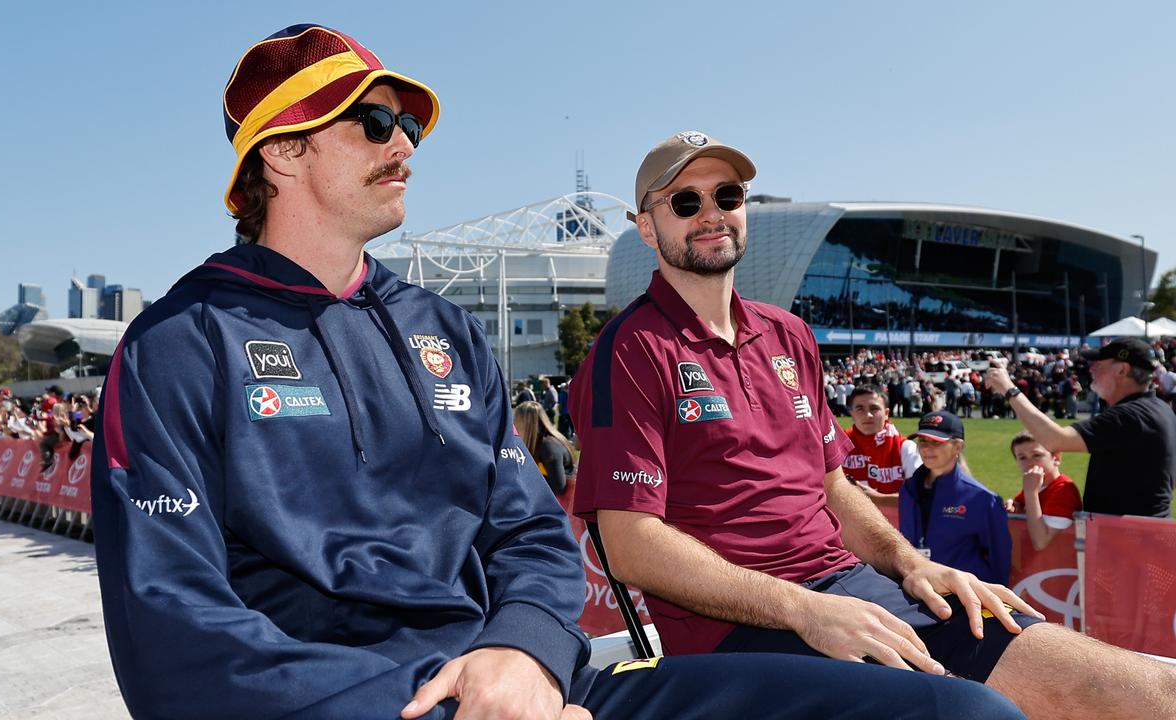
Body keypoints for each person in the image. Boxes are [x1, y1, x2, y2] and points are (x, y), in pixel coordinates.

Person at [88, 27, 1026, 720]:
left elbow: (532, 529)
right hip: (372, 703)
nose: (405, 145)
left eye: (409, 123)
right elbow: (171, 629)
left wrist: (522, 652)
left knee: (964, 716)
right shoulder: (178, 344)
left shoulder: (443, 327)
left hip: (541, 682)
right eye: (374, 123)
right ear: (283, 153)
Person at [571, 130, 1176, 718]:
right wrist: (802, 609)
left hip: (854, 590)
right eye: (686, 201)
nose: (712, 213)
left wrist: (911, 564)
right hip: (741, 635)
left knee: (1137, 687)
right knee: (976, 713)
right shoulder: (628, 350)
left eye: (727, 196)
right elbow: (631, 545)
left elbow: (833, 487)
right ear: (647, 226)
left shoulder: (789, 334)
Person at [986, 337, 1175, 518]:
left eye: (1099, 364)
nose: (1092, 369)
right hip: (1141, 536)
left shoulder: (1133, 415)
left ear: (1122, 371)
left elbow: (1054, 440)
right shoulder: (1159, 410)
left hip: (1128, 541)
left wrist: (1008, 389)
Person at [898, 412, 1011, 584]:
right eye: (923, 441)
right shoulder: (908, 489)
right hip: (916, 590)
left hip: (961, 598)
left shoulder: (983, 499)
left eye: (936, 442)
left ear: (957, 447)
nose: (927, 448)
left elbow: (999, 560)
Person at [842, 385, 921, 506]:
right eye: (860, 409)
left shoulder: (906, 448)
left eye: (874, 408)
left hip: (893, 524)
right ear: (852, 414)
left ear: (887, 413)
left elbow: (921, 499)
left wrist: (876, 498)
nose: (868, 414)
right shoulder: (838, 444)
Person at [1007, 432, 1083, 550]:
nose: (1029, 463)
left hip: (1058, 565)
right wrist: (1014, 504)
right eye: (1022, 457)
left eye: (1036, 455)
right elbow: (1020, 504)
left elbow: (1041, 542)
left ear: (1056, 458)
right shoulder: (1038, 485)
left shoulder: (1064, 490)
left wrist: (1030, 493)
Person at [515, 400, 575, 496]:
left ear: (526, 423)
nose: (514, 425)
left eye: (516, 421)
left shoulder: (549, 446)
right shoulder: (539, 443)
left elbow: (558, 487)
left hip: (562, 506)